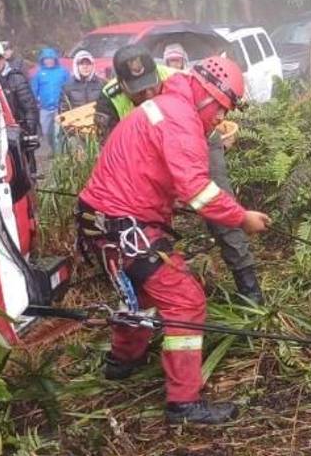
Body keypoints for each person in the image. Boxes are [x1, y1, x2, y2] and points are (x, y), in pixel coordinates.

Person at [77, 56, 270, 424]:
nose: (219, 119)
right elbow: (198, 190)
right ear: (207, 95)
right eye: (221, 109)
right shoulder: (180, 119)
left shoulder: (167, 107)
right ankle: (183, 403)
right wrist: (241, 218)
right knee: (186, 301)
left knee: (144, 295)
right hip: (123, 225)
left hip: (102, 221)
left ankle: (122, 362)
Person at [101, 44, 265, 304]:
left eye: (151, 85)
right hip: (147, 149)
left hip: (193, 133)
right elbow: (115, 155)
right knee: (149, 215)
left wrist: (239, 217)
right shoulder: (109, 98)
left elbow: (199, 188)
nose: (148, 93)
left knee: (217, 198)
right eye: (138, 90)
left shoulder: (179, 82)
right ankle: (154, 275)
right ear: (121, 84)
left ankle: (248, 285)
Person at [0, 41, 40, 159]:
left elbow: (30, 107)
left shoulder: (16, 78)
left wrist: (29, 132)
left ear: (4, 59)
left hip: (17, 132)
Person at [31, 47, 69, 155]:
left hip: (59, 107)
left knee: (58, 131)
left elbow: (69, 87)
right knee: (46, 131)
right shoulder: (39, 74)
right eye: (46, 59)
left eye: (51, 59)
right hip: (44, 108)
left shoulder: (63, 72)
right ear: (42, 60)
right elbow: (34, 90)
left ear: (55, 59)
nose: (48, 61)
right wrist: (36, 102)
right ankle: (53, 149)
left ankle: (59, 153)